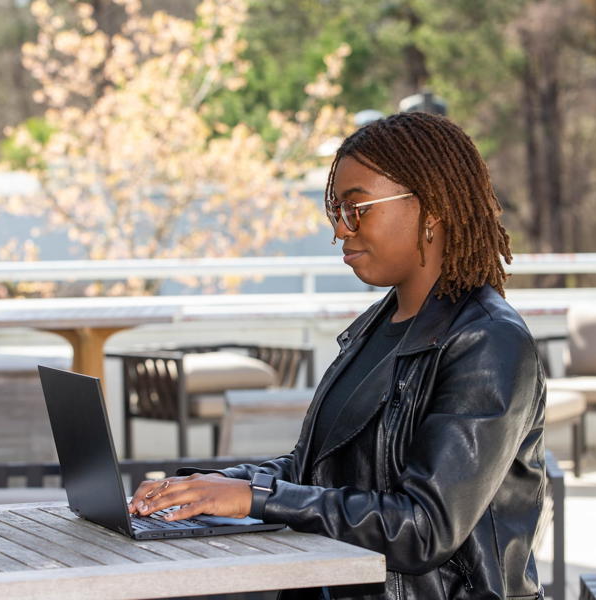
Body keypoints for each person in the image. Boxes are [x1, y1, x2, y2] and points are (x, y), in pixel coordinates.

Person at [129, 112, 547, 599]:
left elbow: (424, 527)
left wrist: (258, 499)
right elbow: (318, 473)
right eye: (336, 212)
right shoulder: (376, 327)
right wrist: (216, 486)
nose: (341, 231)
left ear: (431, 208)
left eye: (358, 208)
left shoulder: (489, 342)